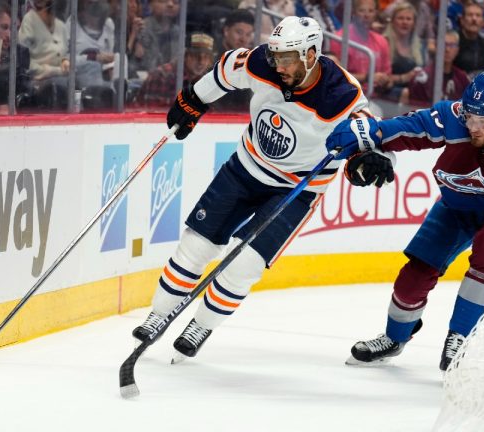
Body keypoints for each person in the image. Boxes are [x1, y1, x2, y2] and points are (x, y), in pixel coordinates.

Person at [132, 16, 370, 362]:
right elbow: (225, 70)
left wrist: (367, 158)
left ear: (311, 54)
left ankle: (201, 325)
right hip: (245, 169)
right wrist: (193, 101)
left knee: (244, 263)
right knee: (195, 246)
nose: (278, 64)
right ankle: (159, 314)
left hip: (296, 189)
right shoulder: (262, 63)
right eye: (275, 55)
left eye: (287, 57)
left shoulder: (341, 94)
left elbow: (365, 132)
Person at [324, 71, 484, 370]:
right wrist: (369, 133)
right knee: (414, 275)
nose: (474, 128)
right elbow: (407, 129)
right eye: (470, 118)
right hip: (458, 205)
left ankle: (460, 337)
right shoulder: (453, 116)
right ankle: (395, 338)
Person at [139, 32, 215, 107]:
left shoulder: (207, 81)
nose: (201, 62)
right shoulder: (161, 76)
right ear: (185, 55)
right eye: (196, 56)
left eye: (206, 57)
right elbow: (151, 113)